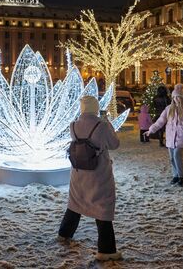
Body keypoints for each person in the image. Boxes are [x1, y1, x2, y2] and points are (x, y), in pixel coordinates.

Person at [58, 96, 122, 261]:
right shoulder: (102, 125)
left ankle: (65, 233)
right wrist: (108, 124)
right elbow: (114, 144)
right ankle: (106, 250)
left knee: (76, 202)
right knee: (102, 207)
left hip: (79, 172)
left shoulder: (73, 125)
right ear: (95, 108)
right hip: (98, 173)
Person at [145, 84, 183, 187]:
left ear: (182, 98)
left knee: (177, 156)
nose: (177, 100)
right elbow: (160, 121)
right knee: (172, 158)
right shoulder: (168, 109)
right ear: (173, 98)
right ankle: (175, 176)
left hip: (181, 138)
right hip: (171, 139)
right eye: (175, 98)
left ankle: (182, 177)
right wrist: (151, 130)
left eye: (179, 98)